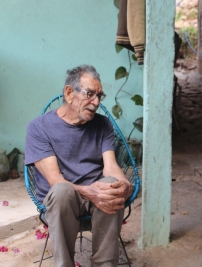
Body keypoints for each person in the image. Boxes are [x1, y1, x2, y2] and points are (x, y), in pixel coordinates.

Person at [25, 65, 133, 267]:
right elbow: (55, 179)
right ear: (69, 93)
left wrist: (123, 184)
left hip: (97, 194)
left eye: (100, 96)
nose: (96, 102)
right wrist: (88, 192)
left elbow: (110, 167)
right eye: (90, 94)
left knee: (112, 186)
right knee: (61, 190)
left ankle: (104, 264)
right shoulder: (39, 128)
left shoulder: (103, 124)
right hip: (64, 198)